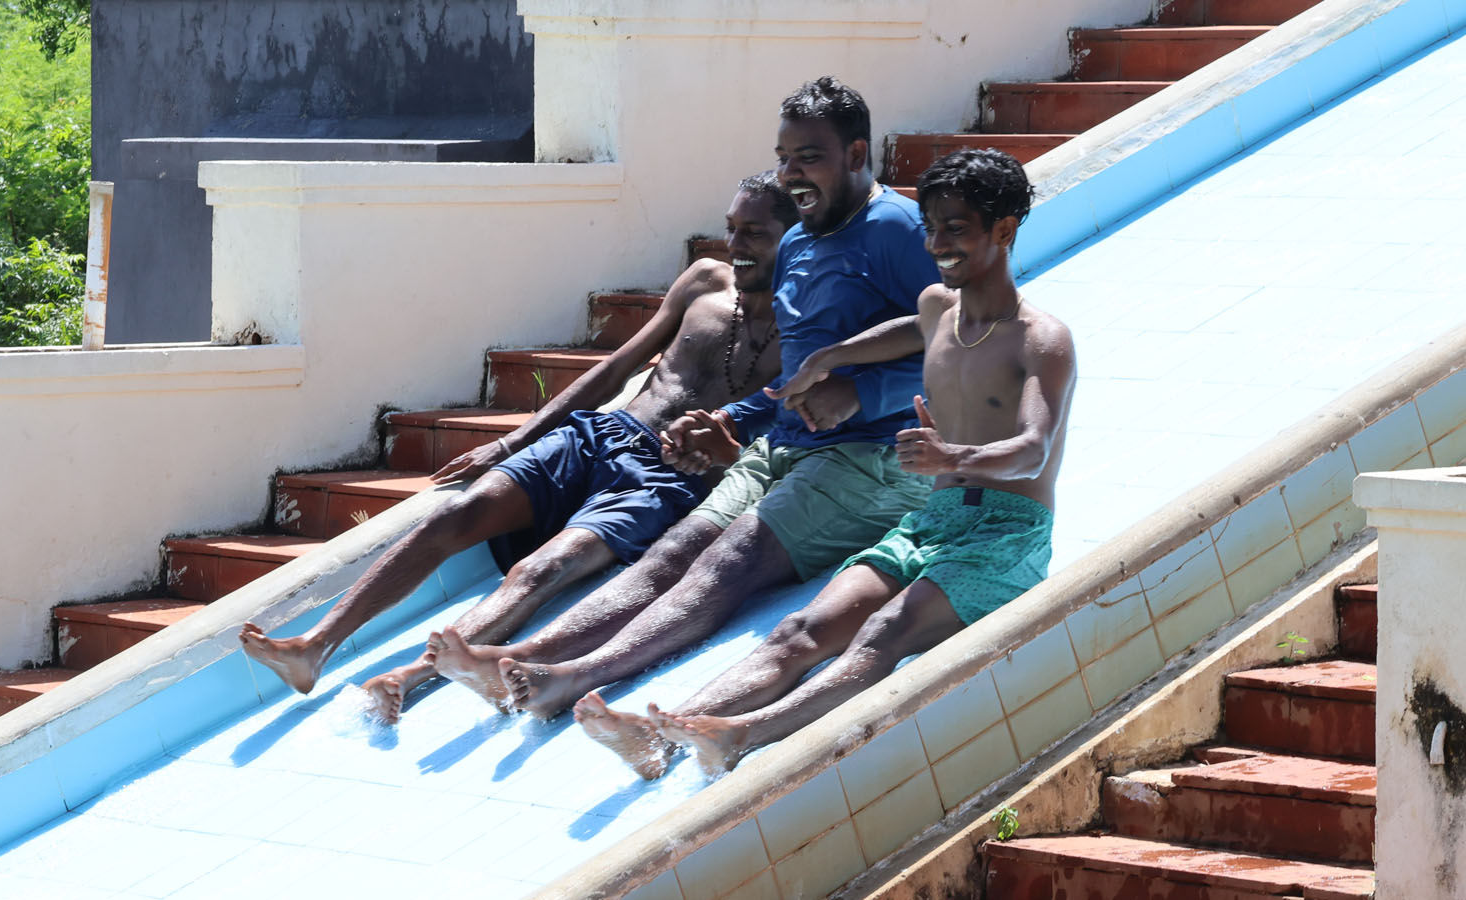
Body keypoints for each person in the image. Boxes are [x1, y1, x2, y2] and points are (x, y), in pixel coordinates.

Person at [429, 78, 943, 763]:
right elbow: (794, 382)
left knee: (728, 560)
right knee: (673, 552)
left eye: (810, 157)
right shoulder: (795, 245)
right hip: (786, 447)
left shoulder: (898, 230)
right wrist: (728, 419)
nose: (792, 174)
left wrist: (863, 392)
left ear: (856, 154)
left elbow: (963, 343)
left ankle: (574, 678)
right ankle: (525, 660)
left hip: (875, 458)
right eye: (783, 158)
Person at [573, 148, 1077, 778]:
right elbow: (904, 331)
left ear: (1003, 230)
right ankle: (658, 739)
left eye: (956, 229)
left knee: (883, 632)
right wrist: (828, 358)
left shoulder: (1040, 339)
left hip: (1005, 535)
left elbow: (1034, 446)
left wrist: (953, 455)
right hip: (935, 521)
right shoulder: (938, 308)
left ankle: (740, 735)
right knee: (800, 630)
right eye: (931, 228)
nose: (937, 245)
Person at [238, 172, 799, 721]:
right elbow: (615, 370)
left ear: (796, 239)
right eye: (731, 228)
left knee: (545, 567)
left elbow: (778, 434)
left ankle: (408, 677)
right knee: (455, 514)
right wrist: (513, 440)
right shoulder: (705, 281)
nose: (736, 244)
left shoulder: (808, 331)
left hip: (663, 480)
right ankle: (314, 646)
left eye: (754, 234)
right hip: (598, 436)